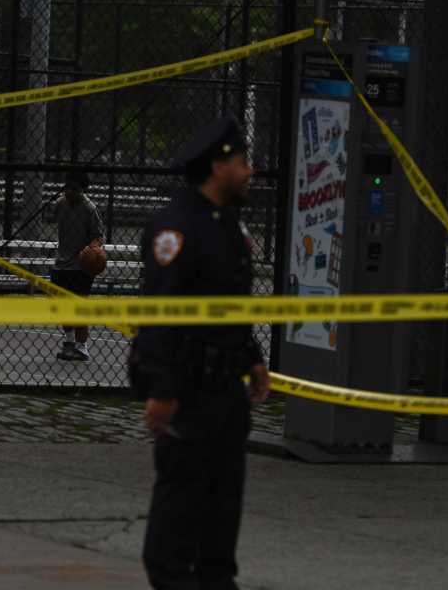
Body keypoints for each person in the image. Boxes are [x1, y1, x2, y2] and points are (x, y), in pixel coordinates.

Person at [134, 115, 270, 590]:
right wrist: (164, 390)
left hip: (226, 398)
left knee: (219, 534)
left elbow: (230, 304)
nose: (250, 171)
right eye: (243, 162)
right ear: (219, 166)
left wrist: (252, 356)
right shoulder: (175, 229)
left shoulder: (227, 226)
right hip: (188, 397)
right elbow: (162, 317)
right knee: (170, 550)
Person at [50, 169, 104, 362]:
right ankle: (69, 340)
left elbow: (98, 235)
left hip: (81, 265)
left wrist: (91, 249)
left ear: (82, 190)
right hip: (61, 262)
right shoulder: (59, 204)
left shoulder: (90, 208)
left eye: (74, 189)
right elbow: (53, 219)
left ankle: (82, 347)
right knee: (62, 305)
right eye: (67, 187)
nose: (69, 192)